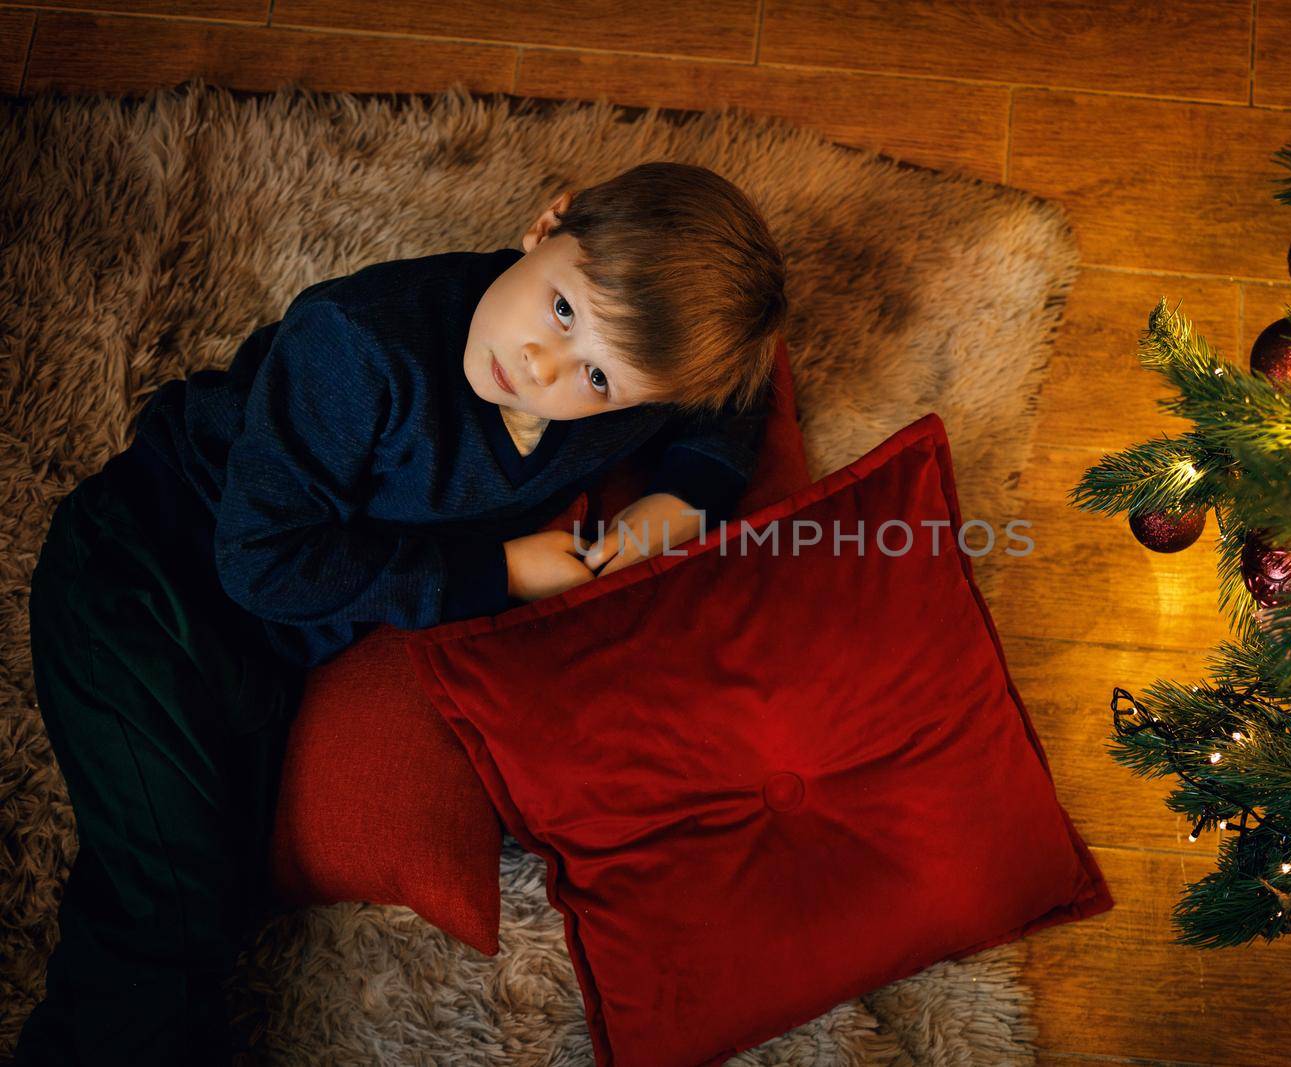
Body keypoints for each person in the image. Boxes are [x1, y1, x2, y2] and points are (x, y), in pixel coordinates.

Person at [18, 160, 788, 1064]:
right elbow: (258, 561)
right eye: (562, 311)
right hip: (146, 576)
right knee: (166, 905)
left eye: (600, 379)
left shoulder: (617, 390)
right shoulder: (361, 346)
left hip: (263, 654)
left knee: (212, 889)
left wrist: (677, 505)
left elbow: (735, 396)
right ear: (548, 226)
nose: (543, 366)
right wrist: (494, 571)